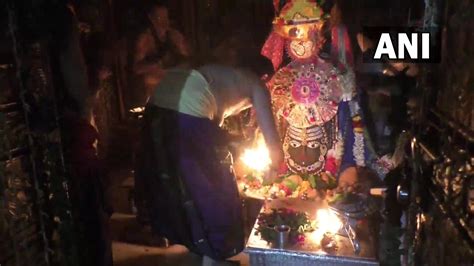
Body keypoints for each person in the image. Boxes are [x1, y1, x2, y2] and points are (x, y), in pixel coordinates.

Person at [137, 62, 283, 265]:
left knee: (178, 183)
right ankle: (213, 256)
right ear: (266, 77)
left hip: (156, 107)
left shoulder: (225, 74)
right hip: (186, 109)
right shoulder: (256, 84)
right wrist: (276, 166)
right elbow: (271, 135)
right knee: (215, 189)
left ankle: (196, 248)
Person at [128, 3, 190, 109]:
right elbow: (136, 68)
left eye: (166, 17)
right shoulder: (145, 39)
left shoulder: (173, 35)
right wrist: (159, 62)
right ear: (151, 19)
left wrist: (181, 46)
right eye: (160, 17)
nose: (164, 22)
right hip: (155, 91)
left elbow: (188, 57)